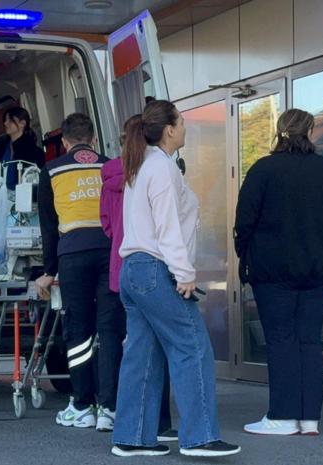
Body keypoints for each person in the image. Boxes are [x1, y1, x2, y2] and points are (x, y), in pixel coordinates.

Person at [111, 100, 240, 457]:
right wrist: (184, 273)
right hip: (156, 269)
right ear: (169, 129)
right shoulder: (163, 169)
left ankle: (132, 437)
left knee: (143, 354)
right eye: (182, 122)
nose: (185, 127)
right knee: (193, 347)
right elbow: (167, 226)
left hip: (133, 270)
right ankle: (200, 437)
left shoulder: (141, 166)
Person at [235, 108, 323, 436]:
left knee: (281, 339)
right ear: (310, 131)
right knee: (309, 339)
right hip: (320, 267)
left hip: (273, 269)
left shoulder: (263, 170)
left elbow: (245, 221)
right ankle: (310, 419)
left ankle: (283, 416)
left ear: (280, 130)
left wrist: (246, 251)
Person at [36, 113, 126, 431]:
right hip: (110, 252)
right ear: (94, 139)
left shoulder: (51, 170)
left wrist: (48, 271)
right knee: (110, 329)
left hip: (72, 255)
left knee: (78, 331)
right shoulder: (112, 165)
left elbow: (49, 227)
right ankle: (109, 407)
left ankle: (82, 404)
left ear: (64, 141)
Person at [100, 116, 177, 442]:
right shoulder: (155, 170)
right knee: (167, 346)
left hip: (123, 268)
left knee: (132, 347)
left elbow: (105, 224)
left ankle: (122, 419)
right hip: (154, 265)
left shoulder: (113, 178)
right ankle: (161, 422)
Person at [2, 107, 45, 190]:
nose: (5, 123)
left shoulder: (33, 152)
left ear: (22, 123)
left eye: (10, 120)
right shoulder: (1, 148)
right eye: (5, 120)